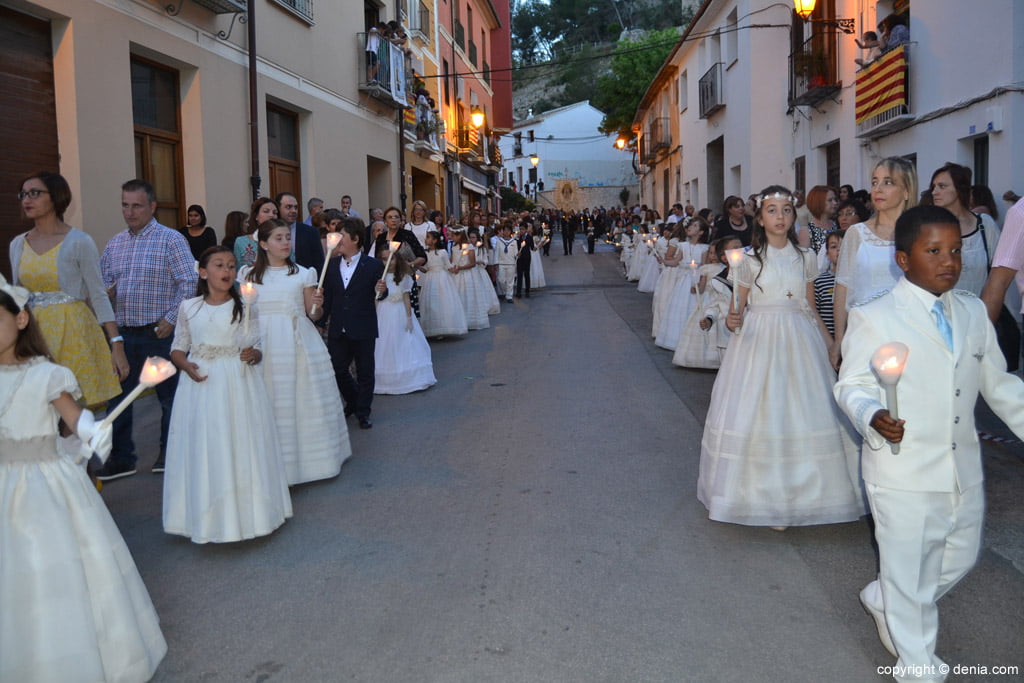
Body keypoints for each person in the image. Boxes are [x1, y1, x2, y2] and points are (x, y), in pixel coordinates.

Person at [834, 205, 1024, 682]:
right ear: (903, 259)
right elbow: (850, 383)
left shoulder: (973, 310)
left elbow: (998, 385)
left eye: (956, 250)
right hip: (902, 469)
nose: (949, 262)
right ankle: (917, 665)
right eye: (934, 251)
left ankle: (888, 599)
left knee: (958, 556)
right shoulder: (874, 315)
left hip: (961, 470)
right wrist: (872, 414)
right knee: (906, 570)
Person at [0, 278, 167, 682]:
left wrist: (92, 431)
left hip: (40, 487)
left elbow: (75, 420)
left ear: (22, 319)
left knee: (45, 571)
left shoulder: (47, 376)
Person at [697, 186, 864, 528]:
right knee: (762, 412)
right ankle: (763, 497)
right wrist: (732, 319)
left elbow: (811, 304)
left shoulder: (807, 257)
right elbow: (737, 308)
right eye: (772, 210)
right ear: (760, 217)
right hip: (758, 341)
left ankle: (806, 496)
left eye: (786, 211)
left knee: (804, 411)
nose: (780, 217)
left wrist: (832, 341)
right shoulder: (748, 260)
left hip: (800, 338)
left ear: (793, 216)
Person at [163, 246, 292, 543]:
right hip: (201, 383)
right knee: (205, 444)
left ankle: (250, 514)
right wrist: (184, 364)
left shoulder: (244, 306)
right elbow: (178, 347)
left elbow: (257, 348)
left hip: (237, 381)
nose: (227, 271)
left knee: (238, 441)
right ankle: (205, 515)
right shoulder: (189, 307)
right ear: (203, 272)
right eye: (220, 265)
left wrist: (253, 354)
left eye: (232, 266)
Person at [99, 179, 197, 480]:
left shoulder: (171, 240)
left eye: (137, 205)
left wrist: (170, 318)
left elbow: (189, 282)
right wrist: (108, 294)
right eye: (125, 205)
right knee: (119, 398)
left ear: (152, 206)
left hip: (160, 333)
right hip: (124, 336)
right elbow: (102, 285)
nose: (130, 212)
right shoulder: (115, 243)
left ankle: (170, 450)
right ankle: (122, 458)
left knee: (168, 397)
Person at [240, 219, 351, 485]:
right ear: (263, 244)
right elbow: (245, 314)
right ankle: (266, 463)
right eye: (278, 238)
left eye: (287, 238)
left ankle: (309, 463)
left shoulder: (303, 273)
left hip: (295, 340)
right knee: (267, 397)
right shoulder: (248, 275)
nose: (285, 243)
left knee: (299, 399)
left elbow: (314, 315)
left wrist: (317, 305)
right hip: (262, 343)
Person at [9, 171, 127, 407]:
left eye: (35, 193)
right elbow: (16, 297)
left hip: (74, 334)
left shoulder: (79, 242)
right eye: (23, 194)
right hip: (34, 337)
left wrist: (117, 344)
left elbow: (98, 294)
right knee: (36, 409)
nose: (26, 200)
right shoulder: (17, 244)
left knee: (73, 413)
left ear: (55, 197)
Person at [831, 157, 918, 369]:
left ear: (906, 190)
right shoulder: (856, 233)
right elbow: (842, 287)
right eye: (874, 182)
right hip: (864, 336)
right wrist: (838, 340)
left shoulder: (921, 233)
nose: (878, 189)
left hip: (910, 335)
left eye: (888, 182)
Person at [320, 218, 386, 430]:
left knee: (365, 371)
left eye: (342, 237)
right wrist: (320, 320)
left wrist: (382, 290)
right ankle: (354, 399)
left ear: (356, 239)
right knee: (337, 368)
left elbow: (381, 294)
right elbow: (329, 297)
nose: (337, 240)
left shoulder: (373, 265)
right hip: (339, 327)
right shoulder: (330, 265)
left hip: (363, 326)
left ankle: (363, 411)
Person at [928, 162, 1000, 296]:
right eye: (933, 187)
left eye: (942, 186)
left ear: (959, 189)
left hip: (980, 309)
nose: (934, 192)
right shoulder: (928, 228)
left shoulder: (984, 224)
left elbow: (999, 272)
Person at [373, 248, 436, 394]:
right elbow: (375, 299)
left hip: (399, 311)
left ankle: (410, 377)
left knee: (404, 341)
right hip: (383, 312)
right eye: (384, 259)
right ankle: (385, 379)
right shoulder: (378, 277)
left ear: (397, 260)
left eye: (392, 259)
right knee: (384, 342)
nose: (388, 263)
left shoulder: (403, 276)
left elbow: (406, 297)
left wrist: (409, 317)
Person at [673, 237, 732, 369]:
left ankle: (717, 359)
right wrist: (697, 288)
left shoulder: (725, 269)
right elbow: (702, 286)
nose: (713, 256)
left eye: (715, 253)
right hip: (708, 300)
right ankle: (702, 359)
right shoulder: (705, 268)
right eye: (710, 253)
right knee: (704, 323)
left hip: (721, 301)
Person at [655, 218, 709, 350]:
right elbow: (675, 262)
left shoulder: (704, 248)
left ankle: (693, 340)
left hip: (696, 279)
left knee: (694, 306)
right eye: (691, 224)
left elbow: (705, 268)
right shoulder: (683, 246)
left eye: (695, 226)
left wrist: (701, 284)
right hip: (684, 281)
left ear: (701, 232)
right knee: (681, 307)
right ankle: (677, 338)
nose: (691, 227)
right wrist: (663, 261)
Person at [417, 230, 468, 338]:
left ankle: (444, 327)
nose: (426, 239)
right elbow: (425, 269)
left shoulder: (442, 252)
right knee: (431, 303)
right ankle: (433, 328)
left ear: (435, 240)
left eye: (428, 237)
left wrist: (455, 269)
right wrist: (417, 266)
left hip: (441, 278)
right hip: (430, 279)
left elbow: (448, 266)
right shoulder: (425, 253)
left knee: (442, 301)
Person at [451, 228, 492, 328]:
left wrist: (460, 267)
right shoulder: (454, 246)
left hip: (466, 275)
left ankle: (470, 320)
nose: (452, 237)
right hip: (456, 275)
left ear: (459, 235)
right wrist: (451, 267)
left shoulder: (469, 247)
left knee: (467, 296)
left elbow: (472, 263)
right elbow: (452, 259)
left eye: (453, 235)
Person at [276, 192, 324, 273]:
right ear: (278, 209)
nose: (293, 211)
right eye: (288, 207)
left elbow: (319, 264)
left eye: (296, 207)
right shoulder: (271, 232)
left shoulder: (311, 232)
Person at [814, 231, 844, 338]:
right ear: (827, 253)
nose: (839, 250)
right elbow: (814, 314)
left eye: (844, 245)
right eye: (834, 246)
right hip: (826, 340)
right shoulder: (819, 281)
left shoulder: (859, 281)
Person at [236, 197, 278, 268]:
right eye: (266, 211)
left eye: (275, 213)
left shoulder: (284, 240)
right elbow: (237, 271)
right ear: (256, 216)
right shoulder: (241, 242)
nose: (271, 215)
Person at [799, 185, 839, 257]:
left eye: (835, 199)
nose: (835, 203)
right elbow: (806, 262)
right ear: (819, 202)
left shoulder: (838, 225)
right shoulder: (807, 231)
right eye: (830, 200)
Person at [494, 223, 519, 303]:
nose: (506, 232)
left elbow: (516, 254)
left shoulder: (514, 242)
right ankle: (505, 291)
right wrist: (496, 263)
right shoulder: (499, 241)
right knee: (501, 280)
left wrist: (517, 255)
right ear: (502, 231)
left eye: (508, 230)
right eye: (504, 230)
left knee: (510, 281)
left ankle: (509, 296)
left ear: (510, 232)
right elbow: (496, 252)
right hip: (501, 263)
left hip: (511, 263)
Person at [515, 223, 535, 298]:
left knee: (526, 274)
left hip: (527, 257)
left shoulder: (529, 237)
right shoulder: (517, 238)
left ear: (526, 230)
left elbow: (532, 247)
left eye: (523, 229)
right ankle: (518, 291)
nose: (521, 231)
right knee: (519, 274)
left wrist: (537, 246)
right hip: (520, 258)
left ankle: (527, 291)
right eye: (520, 229)